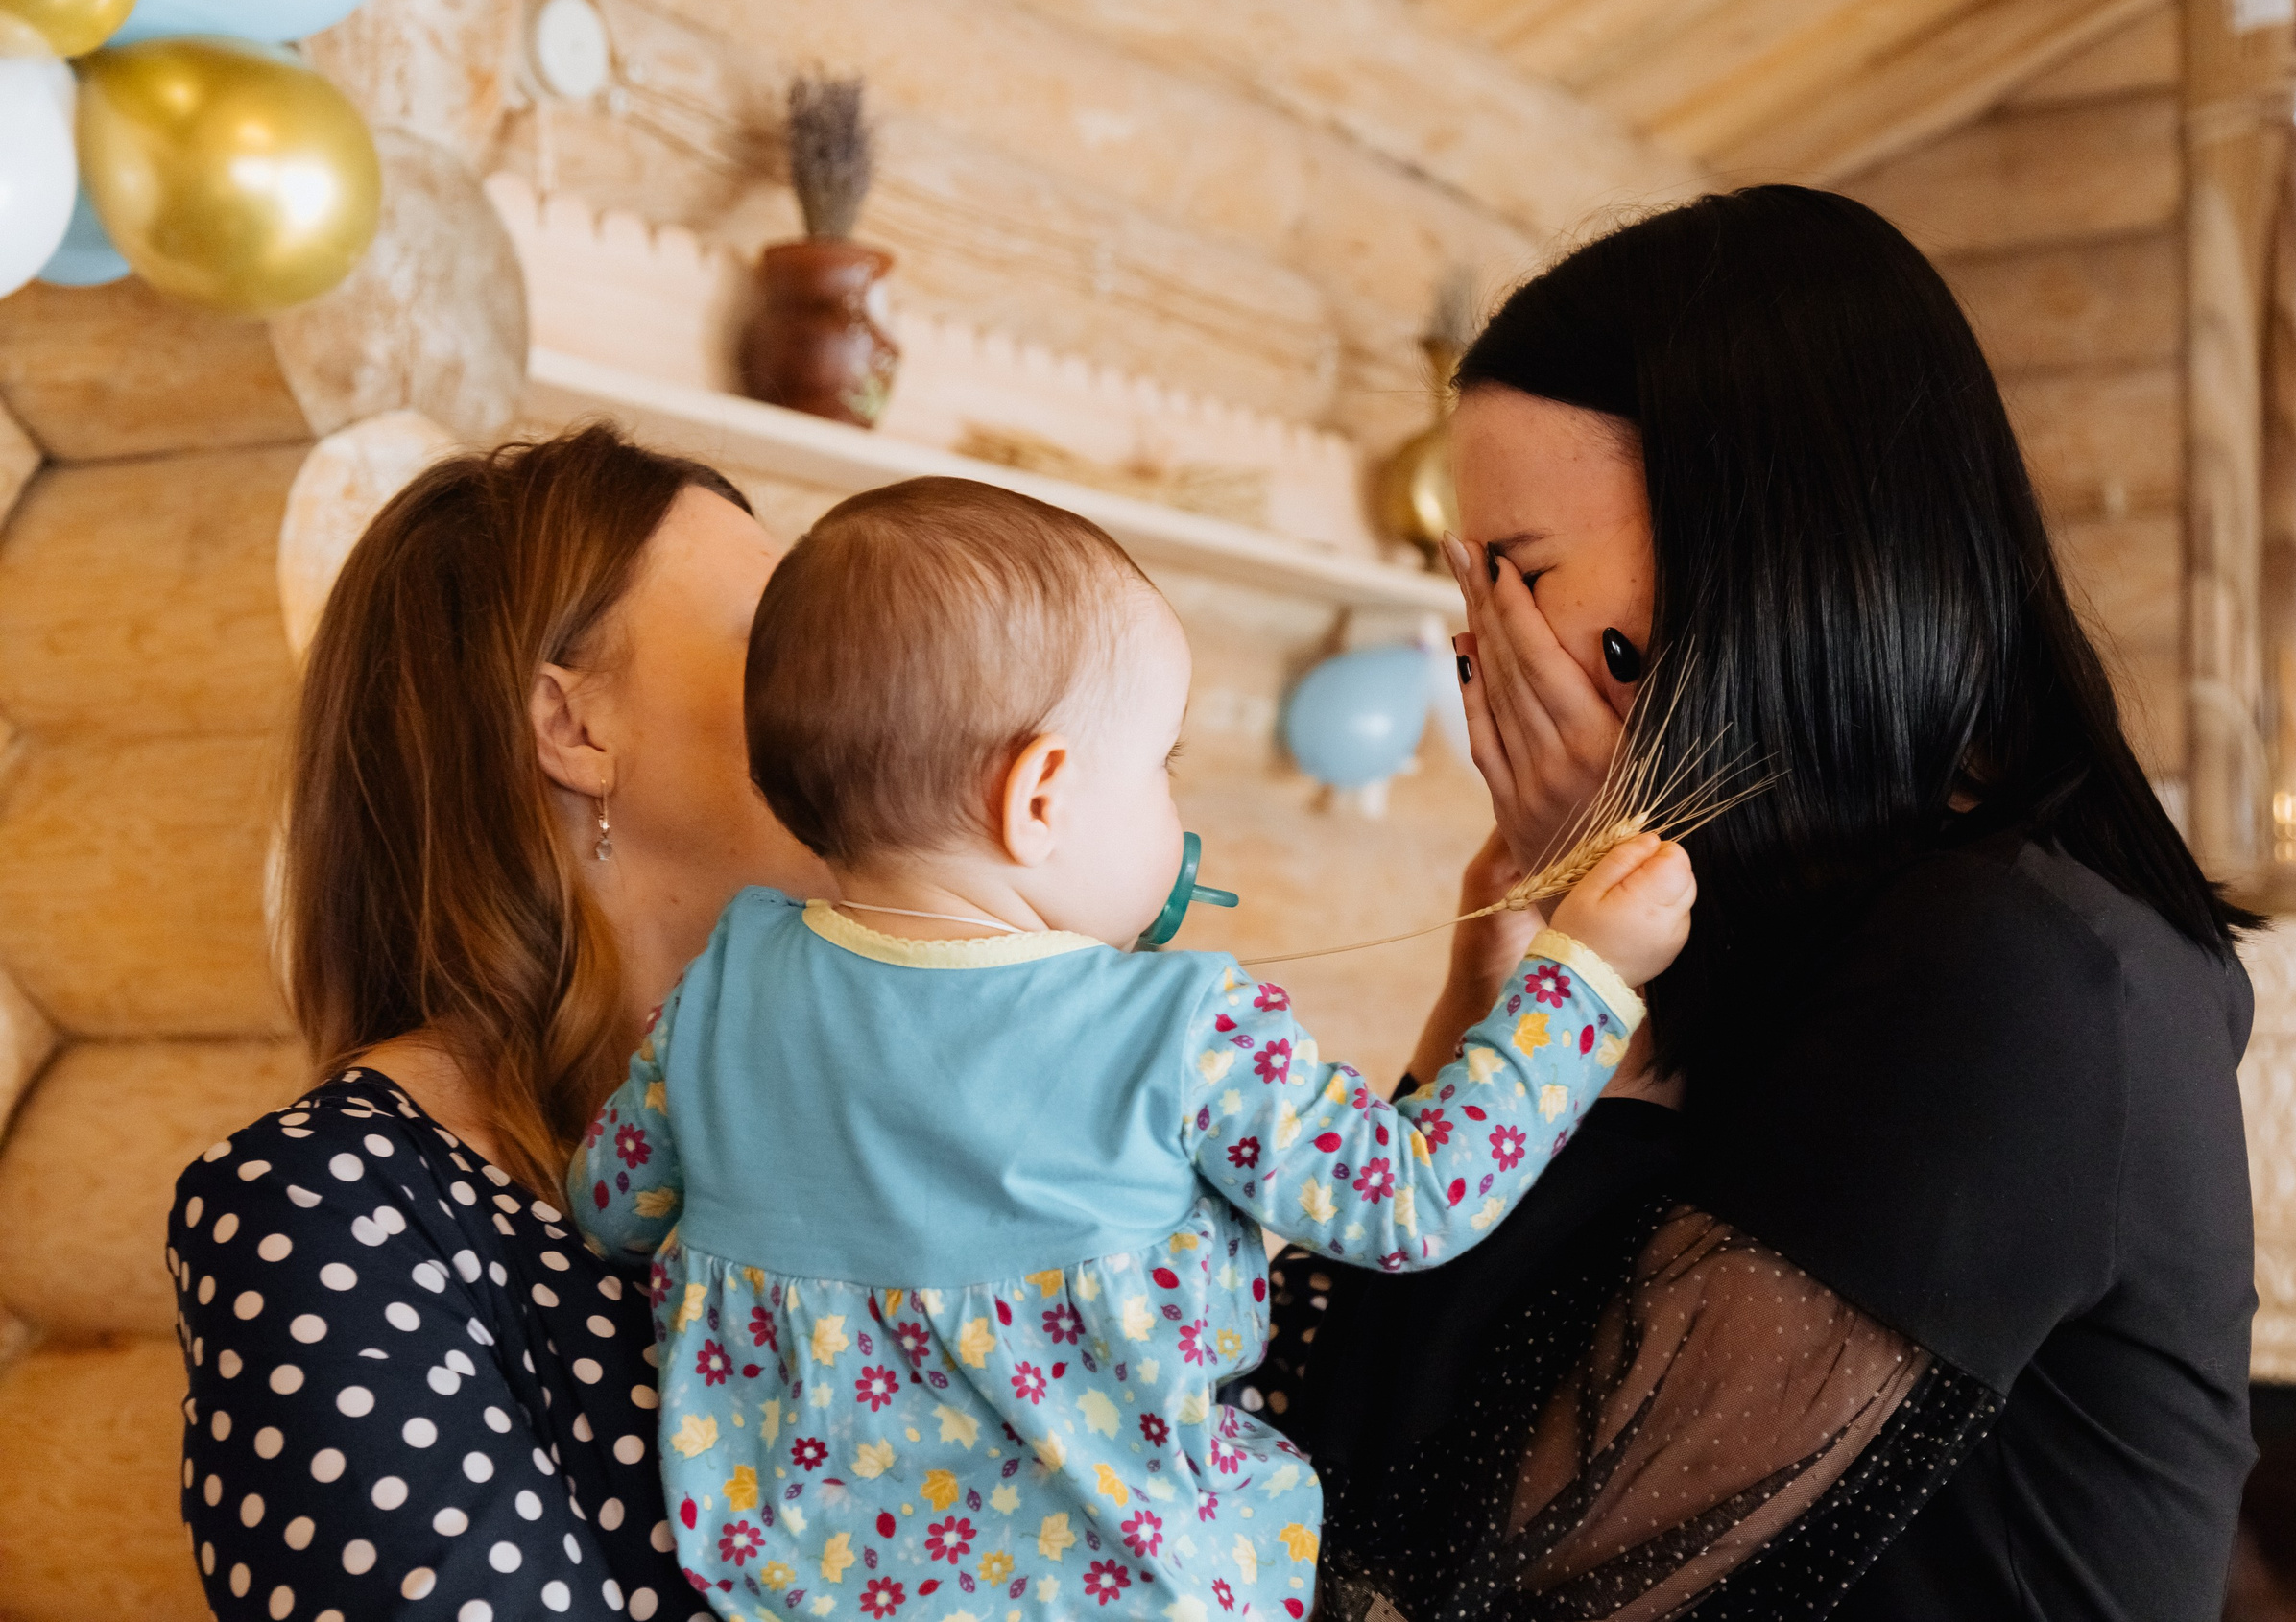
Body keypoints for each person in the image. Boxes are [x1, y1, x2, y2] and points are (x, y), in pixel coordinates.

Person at [1247, 185, 2261, 1622]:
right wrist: (1506, 998)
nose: (1478, 645)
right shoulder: (1807, 937)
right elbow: (1300, 1457)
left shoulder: (2026, 968)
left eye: (1519, 571)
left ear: (1764, 551)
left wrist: (1597, 995)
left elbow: (1504, 1562)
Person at [564, 476, 1695, 1621]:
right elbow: (1410, 1202)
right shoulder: (1184, 1029)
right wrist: (1585, 976)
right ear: (1040, 798)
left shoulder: (721, 991)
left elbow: (610, 1205)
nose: (1168, 799)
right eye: (1161, 762)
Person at [166, 425, 835, 1621]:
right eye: (779, 645)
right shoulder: (325, 1209)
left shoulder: (849, 1124)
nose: (865, 688)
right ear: (572, 728)